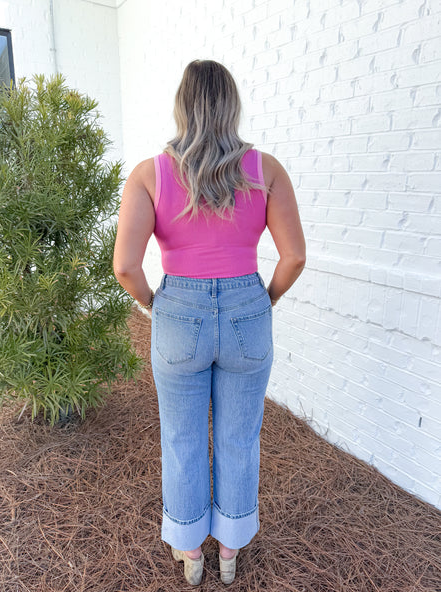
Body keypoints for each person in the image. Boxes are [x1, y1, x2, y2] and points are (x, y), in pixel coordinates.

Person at [113, 59, 306, 586]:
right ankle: (229, 554)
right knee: (241, 437)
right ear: (231, 105)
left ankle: (191, 555)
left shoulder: (150, 174)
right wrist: (261, 300)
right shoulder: (266, 170)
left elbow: (125, 266)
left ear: (182, 106)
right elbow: (293, 258)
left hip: (179, 312)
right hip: (247, 307)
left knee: (181, 437)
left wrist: (158, 303)